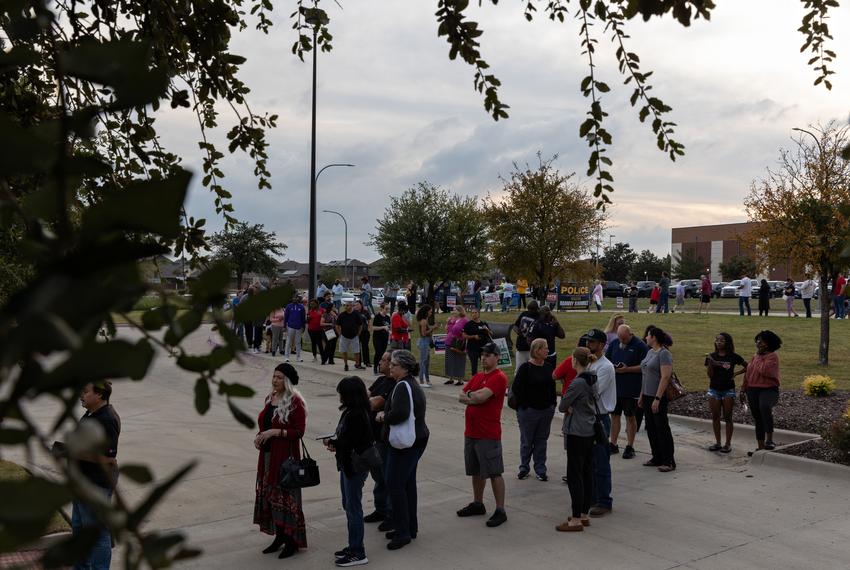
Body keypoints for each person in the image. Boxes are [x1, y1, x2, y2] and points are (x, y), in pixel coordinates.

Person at [376, 350, 429, 551]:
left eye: (394, 364)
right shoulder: (411, 384)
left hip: (406, 444)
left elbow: (400, 413)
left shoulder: (402, 386)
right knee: (407, 485)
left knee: (395, 484)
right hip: (416, 440)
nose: (390, 366)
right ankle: (409, 527)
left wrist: (382, 417)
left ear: (404, 368)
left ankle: (402, 532)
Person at [254, 363, 307, 559]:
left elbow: (299, 432)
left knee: (286, 498)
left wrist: (276, 432)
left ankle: (292, 540)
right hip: (267, 457)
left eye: (279, 377)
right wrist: (260, 437)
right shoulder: (270, 398)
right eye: (274, 376)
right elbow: (265, 424)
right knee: (271, 497)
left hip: (286, 460)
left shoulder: (295, 401)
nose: (274, 380)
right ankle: (279, 536)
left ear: (287, 381)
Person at [456, 343, 509, 527]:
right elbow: (461, 395)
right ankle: (478, 503)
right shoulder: (478, 376)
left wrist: (472, 396)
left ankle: (500, 509)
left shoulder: (499, 377)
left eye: (488, 355)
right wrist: (473, 395)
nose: (483, 358)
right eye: (482, 355)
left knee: (494, 472)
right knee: (475, 471)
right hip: (471, 432)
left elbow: (480, 398)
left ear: (497, 357)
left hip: (489, 433)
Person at [324, 376, 374, 567]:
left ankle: (358, 551)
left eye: (342, 393)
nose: (339, 397)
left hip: (355, 465)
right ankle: (353, 545)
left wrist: (332, 443)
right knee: (348, 504)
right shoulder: (353, 412)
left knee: (353, 508)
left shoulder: (356, 415)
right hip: (348, 464)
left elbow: (350, 441)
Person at [71, 381, 120, 570]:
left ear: (99, 395)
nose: (81, 395)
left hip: (96, 483)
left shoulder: (107, 419)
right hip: (82, 480)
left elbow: (108, 457)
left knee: (97, 533)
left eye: (85, 392)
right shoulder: (91, 413)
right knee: (79, 528)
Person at [555, 347, 598, 532]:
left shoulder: (577, 382)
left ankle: (575, 519)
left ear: (575, 361)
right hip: (589, 429)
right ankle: (584, 513)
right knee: (587, 472)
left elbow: (563, 405)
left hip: (577, 431)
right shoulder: (592, 377)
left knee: (574, 475)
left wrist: (569, 405)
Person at [581, 328, 616, 516]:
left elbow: (593, 392)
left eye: (592, 342)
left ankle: (604, 501)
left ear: (602, 345)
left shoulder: (605, 367)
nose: (588, 345)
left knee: (601, 461)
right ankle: (593, 496)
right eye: (587, 341)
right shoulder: (589, 364)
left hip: (600, 418)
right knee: (590, 461)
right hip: (588, 416)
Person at [511, 338, 556, 481]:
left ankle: (540, 469)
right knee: (527, 441)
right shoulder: (525, 368)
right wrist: (524, 406)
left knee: (541, 441)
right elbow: (517, 388)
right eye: (545, 348)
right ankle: (524, 467)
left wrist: (552, 405)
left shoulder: (549, 367)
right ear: (537, 351)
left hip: (545, 411)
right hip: (529, 411)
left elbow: (552, 388)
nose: (548, 350)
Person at [605, 325, 648, 460]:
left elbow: (645, 366)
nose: (622, 341)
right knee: (615, 416)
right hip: (616, 388)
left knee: (630, 416)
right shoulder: (614, 344)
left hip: (631, 389)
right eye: (620, 338)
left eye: (624, 338)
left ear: (630, 334)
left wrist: (627, 369)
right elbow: (607, 360)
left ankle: (630, 446)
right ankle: (613, 443)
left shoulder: (640, 346)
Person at [364, 352, 397, 529]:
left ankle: (391, 513)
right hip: (372, 437)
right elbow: (366, 395)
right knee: (377, 476)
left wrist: (363, 400)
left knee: (387, 476)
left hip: (384, 438)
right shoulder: (380, 381)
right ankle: (381, 509)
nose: (381, 362)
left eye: (385, 360)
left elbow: (374, 403)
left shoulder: (394, 385)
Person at [639, 326, 676, 472]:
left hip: (657, 397)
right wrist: (642, 394)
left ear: (654, 337)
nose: (646, 338)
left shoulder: (664, 353)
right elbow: (645, 374)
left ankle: (668, 460)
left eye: (648, 335)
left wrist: (657, 398)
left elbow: (665, 377)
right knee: (651, 428)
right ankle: (657, 456)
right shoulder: (649, 352)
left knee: (662, 428)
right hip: (647, 395)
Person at [741, 330, 782, 454]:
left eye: (762, 340)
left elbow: (765, 371)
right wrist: (743, 388)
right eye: (757, 340)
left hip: (769, 389)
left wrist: (759, 357)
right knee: (757, 417)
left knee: (764, 407)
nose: (758, 342)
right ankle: (760, 446)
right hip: (752, 389)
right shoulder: (755, 356)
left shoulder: (772, 356)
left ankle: (769, 440)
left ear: (769, 343)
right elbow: (748, 373)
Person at [705, 332, 747, 453]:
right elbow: (710, 375)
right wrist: (710, 364)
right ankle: (718, 443)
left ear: (727, 342)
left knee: (728, 417)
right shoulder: (711, 356)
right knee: (715, 416)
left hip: (728, 389)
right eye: (717, 340)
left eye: (721, 340)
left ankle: (728, 444)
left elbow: (748, 366)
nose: (718, 342)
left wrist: (736, 373)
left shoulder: (733, 356)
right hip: (714, 389)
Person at [463, 308, 492, 376]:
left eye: (476, 312)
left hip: (483, 348)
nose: (474, 314)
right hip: (472, 348)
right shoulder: (468, 324)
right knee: (474, 365)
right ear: (471, 315)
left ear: (479, 314)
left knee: (485, 364)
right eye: (472, 313)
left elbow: (491, 334)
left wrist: (487, 329)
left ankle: (485, 379)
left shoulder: (483, 323)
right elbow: (464, 335)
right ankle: (474, 381)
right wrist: (473, 336)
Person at [444, 305, 468, 386]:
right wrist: (448, 323)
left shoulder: (464, 320)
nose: (453, 312)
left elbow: (466, 331)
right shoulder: (452, 319)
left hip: (459, 343)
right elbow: (447, 329)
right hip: (449, 341)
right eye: (453, 310)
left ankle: (460, 379)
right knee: (450, 360)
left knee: (459, 360)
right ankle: (450, 378)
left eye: (455, 310)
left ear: (460, 311)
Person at [512, 300, 540, 370]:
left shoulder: (539, 317)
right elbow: (515, 326)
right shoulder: (524, 314)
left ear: (536, 309)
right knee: (519, 369)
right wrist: (519, 332)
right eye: (528, 309)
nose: (529, 311)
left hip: (533, 348)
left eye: (531, 310)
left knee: (533, 370)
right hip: (521, 346)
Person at [337, 301, 364, 372]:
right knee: (344, 351)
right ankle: (346, 364)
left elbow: (360, 325)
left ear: (351, 306)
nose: (346, 307)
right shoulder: (342, 315)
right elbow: (337, 325)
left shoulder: (356, 314)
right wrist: (340, 334)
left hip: (354, 336)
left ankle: (357, 364)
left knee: (357, 351)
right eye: (345, 305)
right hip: (344, 336)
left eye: (347, 305)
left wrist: (358, 333)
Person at [283, 294, 306, 362]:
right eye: (294, 298)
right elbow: (286, 317)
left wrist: (303, 326)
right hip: (290, 326)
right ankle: (286, 356)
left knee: (298, 342)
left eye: (296, 298)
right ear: (292, 298)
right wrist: (284, 326)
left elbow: (303, 318)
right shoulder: (289, 306)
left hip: (299, 327)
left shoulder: (301, 307)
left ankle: (298, 357)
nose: (295, 299)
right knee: (288, 341)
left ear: (298, 299)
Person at [416, 304, 435, 387]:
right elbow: (423, 334)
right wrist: (432, 328)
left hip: (426, 342)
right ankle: (421, 381)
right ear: (426, 312)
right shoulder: (423, 321)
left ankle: (427, 379)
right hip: (423, 342)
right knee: (423, 362)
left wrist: (431, 327)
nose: (431, 313)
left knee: (427, 362)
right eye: (430, 311)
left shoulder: (425, 320)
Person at [372, 303, 391, 375]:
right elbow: (373, 328)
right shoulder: (377, 317)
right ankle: (375, 368)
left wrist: (389, 330)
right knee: (378, 352)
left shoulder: (387, 317)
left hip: (385, 338)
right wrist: (383, 327)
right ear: (382, 308)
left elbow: (388, 326)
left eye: (388, 309)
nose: (387, 310)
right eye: (386, 309)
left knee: (383, 353)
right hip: (377, 338)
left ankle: (381, 368)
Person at [355, 301, 372, 368]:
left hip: (365, 332)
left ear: (361, 305)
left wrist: (369, 328)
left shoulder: (365, 312)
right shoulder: (354, 313)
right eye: (355, 305)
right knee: (357, 348)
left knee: (365, 347)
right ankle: (358, 363)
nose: (356, 306)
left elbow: (369, 320)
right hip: (357, 333)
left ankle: (367, 362)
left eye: (358, 304)